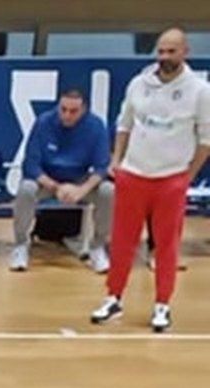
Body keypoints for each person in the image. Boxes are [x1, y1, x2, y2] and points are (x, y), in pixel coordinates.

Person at [90, 27, 210, 333]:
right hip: (134, 175)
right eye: (160, 51)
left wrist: (187, 176)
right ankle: (113, 297)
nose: (164, 57)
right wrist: (117, 160)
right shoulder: (139, 83)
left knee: (166, 246)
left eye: (171, 51)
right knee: (122, 242)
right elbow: (124, 124)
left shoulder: (199, 91)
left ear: (185, 52)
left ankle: (162, 305)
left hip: (170, 179)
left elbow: (206, 140)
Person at [10, 88, 113, 273]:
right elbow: (31, 165)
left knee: (108, 191)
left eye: (73, 111)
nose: (67, 115)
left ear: (84, 110)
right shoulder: (43, 123)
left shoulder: (96, 126)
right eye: (63, 109)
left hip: (80, 181)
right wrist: (56, 187)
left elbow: (101, 168)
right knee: (26, 188)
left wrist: (81, 190)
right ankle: (20, 245)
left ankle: (97, 247)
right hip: (48, 181)